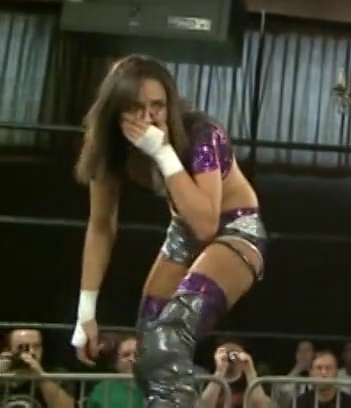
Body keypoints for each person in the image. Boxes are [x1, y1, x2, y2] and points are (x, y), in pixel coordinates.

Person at [68, 55, 267, 408]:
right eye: (136, 108)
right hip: (183, 232)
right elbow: (100, 227)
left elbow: (206, 224)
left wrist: (162, 152)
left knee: (169, 338)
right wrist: (85, 313)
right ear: (116, 110)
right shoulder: (109, 149)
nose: (148, 118)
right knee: (148, 349)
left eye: (157, 106)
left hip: (235, 228)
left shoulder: (200, 133)